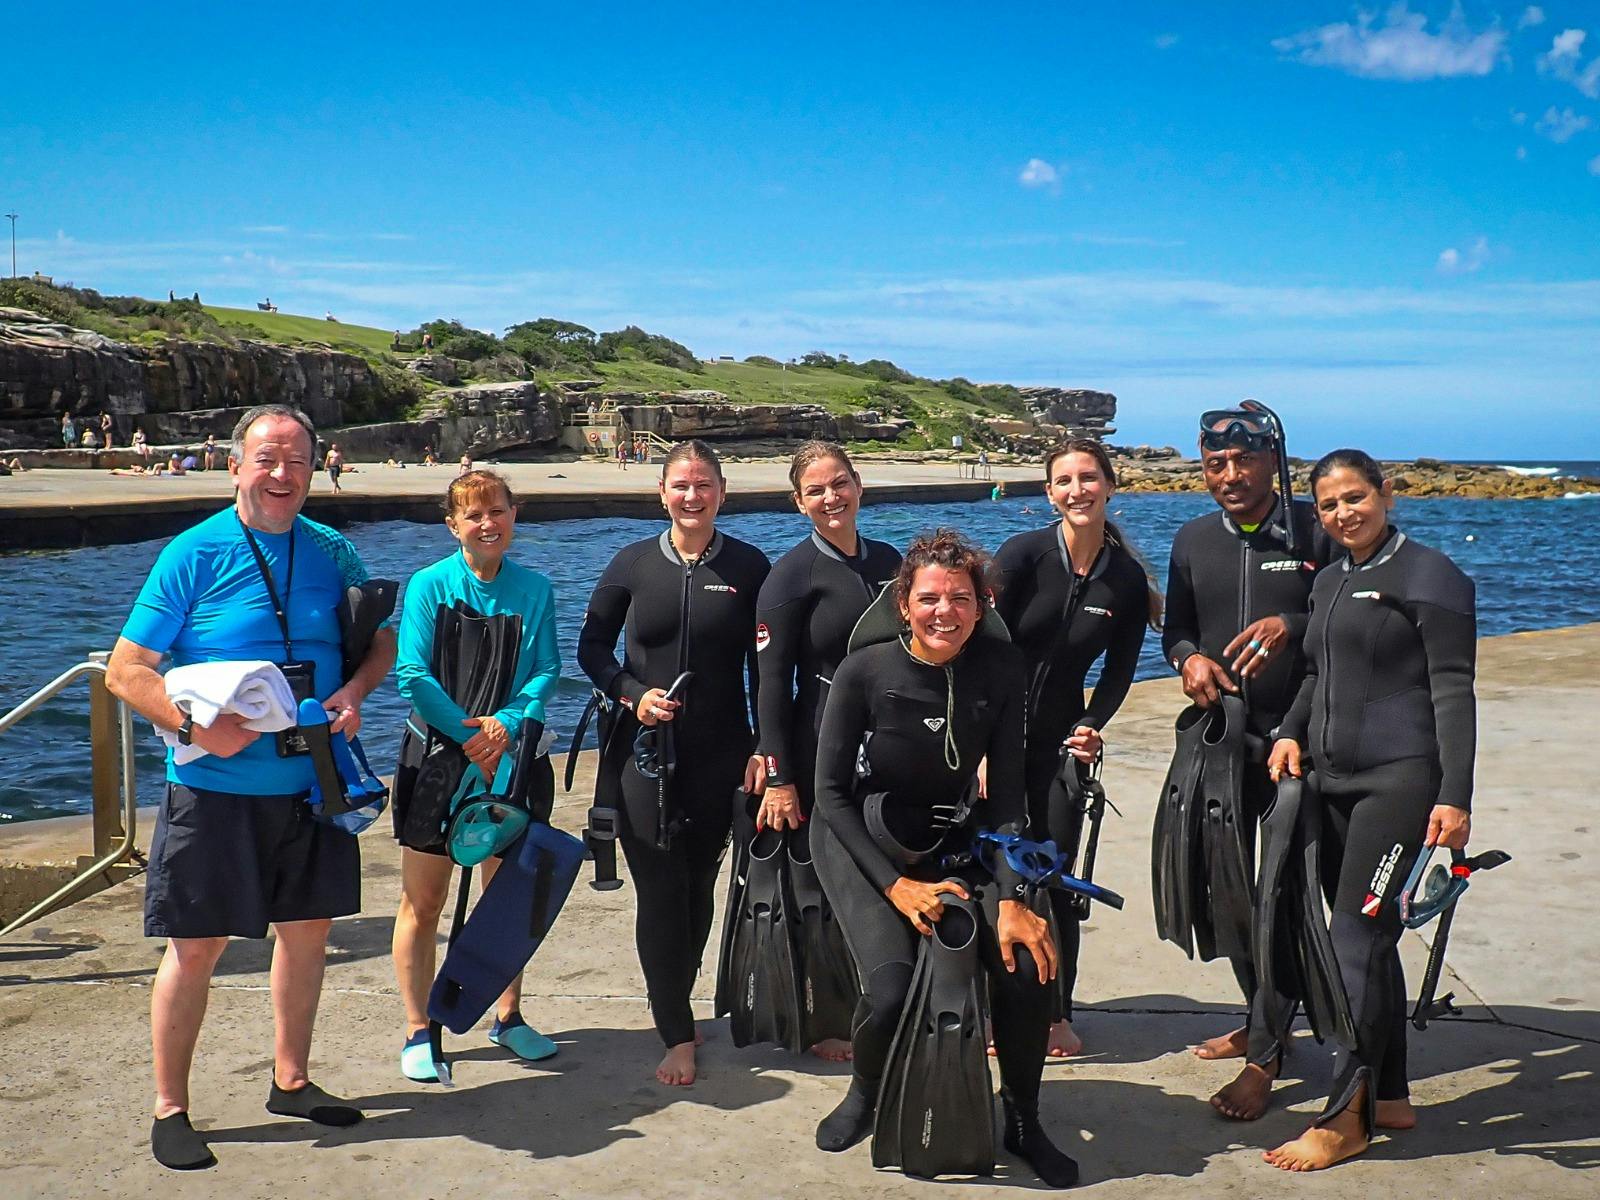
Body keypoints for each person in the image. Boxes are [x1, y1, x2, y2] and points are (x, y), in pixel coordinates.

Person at [105, 404, 397, 1171]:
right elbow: (126, 669)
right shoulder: (194, 553)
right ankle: (171, 1107)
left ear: (314, 469)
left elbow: (382, 640)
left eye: (296, 461)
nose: (281, 474)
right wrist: (195, 727)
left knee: (307, 939)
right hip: (216, 789)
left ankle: (291, 1080)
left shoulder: (332, 549)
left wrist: (359, 691)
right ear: (234, 465)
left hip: (310, 784)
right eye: (266, 459)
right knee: (195, 949)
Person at [809, 530, 1078, 1187]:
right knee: (892, 988)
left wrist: (1013, 899)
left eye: (960, 598)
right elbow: (829, 794)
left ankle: (1022, 1118)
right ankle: (866, 1093)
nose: (944, 611)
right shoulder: (863, 672)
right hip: (862, 838)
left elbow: (1009, 800)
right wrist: (896, 887)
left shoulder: (1001, 670)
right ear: (903, 604)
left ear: (980, 607)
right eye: (929, 598)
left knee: (1023, 966)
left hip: (958, 836)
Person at [1263, 449, 1475, 1172]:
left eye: (1355, 497)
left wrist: (1455, 797)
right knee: (1373, 944)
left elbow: (1453, 689)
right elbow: (1318, 673)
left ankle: (1341, 1118)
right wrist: (1290, 733)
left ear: (1385, 494)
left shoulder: (1429, 574)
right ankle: (1389, 1092)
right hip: (1330, 782)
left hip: (1398, 782)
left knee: (1352, 941)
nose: (1342, 513)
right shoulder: (1328, 579)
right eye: (1328, 505)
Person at [577, 440, 770, 1086]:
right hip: (644, 760)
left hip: (721, 758)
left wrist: (765, 747)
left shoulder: (749, 567)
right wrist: (633, 695)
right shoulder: (631, 564)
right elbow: (592, 648)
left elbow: (768, 670)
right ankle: (676, 1031)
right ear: (661, 493)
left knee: (699, 893)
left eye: (703, 485)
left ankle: (675, 997)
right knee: (660, 896)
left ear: (722, 491)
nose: (692, 496)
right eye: (680, 485)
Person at [1161, 402, 1333, 1121]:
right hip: (1222, 742)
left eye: (1243, 461)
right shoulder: (1193, 539)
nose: (1229, 475)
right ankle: (1262, 1020)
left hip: (1298, 742)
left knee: (1282, 901)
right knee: (1229, 895)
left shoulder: (1314, 531)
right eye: (1214, 464)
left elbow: (1341, 620)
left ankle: (1265, 1055)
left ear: (1271, 460)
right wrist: (1188, 659)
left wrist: (1292, 625)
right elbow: (1175, 629)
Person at [390, 469, 563, 1081]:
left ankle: (507, 1016)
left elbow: (547, 669)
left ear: (514, 514)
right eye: (473, 515)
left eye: (497, 511)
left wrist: (507, 727)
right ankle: (418, 1027)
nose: (487, 523)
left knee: (505, 900)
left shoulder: (534, 589)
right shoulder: (429, 585)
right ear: (453, 525)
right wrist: (469, 736)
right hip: (438, 759)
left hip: (511, 758)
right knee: (424, 900)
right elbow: (411, 674)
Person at [991, 439, 1153, 1058]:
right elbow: (981, 647)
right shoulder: (1023, 557)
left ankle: (1057, 1012)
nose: (1077, 489)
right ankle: (989, 1005)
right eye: (1064, 480)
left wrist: (1092, 723)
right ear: (1049, 493)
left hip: (1060, 746)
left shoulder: (1127, 579)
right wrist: (977, 745)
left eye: (1089, 478)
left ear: (1110, 486)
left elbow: (1118, 670)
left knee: (1054, 878)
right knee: (990, 874)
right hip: (995, 741)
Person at [753, 441, 902, 1061]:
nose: (830, 498)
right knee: (824, 883)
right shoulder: (789, 578)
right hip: (820, 742)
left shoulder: (892, 561)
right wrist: (781, 776)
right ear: (798, 502)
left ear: (859, 486)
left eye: (839, 484)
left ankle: (891, 994)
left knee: (890, 866)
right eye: (815, 490)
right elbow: (767, 684)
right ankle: (831, 1019)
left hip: (891, 741)